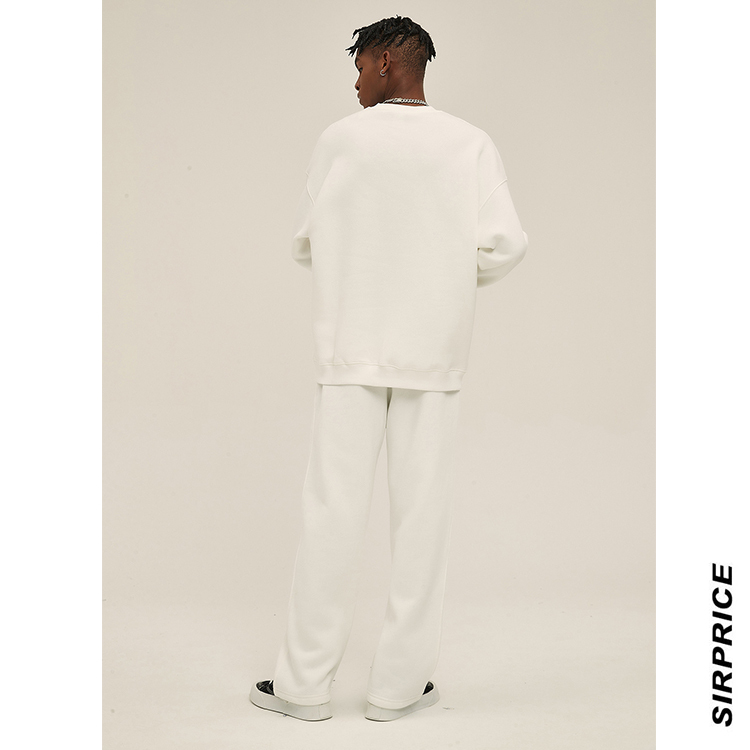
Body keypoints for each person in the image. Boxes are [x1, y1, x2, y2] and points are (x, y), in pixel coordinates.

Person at [250, 15, 527, 722]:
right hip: (433, 355)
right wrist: (443, 279)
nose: (354, 81)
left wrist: (359, 260)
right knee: (423, 519)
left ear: (383, 62)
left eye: (359, 66)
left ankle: (303, 688)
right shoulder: (470, 144)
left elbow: (305, 243)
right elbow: (506, 245)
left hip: (351, 350)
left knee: (330, 514)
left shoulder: (341, 140)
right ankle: (398, 690)